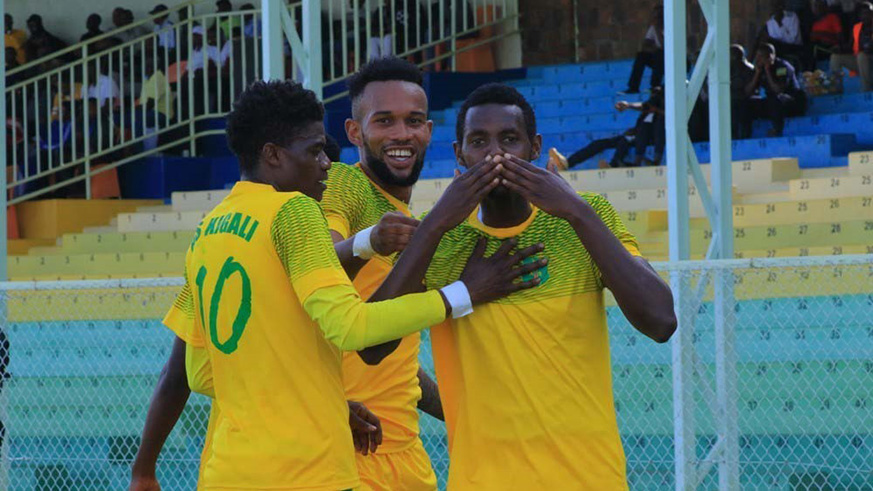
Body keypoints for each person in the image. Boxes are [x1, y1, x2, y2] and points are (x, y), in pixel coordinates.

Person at [129, 79, 543, 490]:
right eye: (315, 151)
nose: (327, 162)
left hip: (231, 471)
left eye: (414, 120)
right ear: (273, 155)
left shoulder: (208, 229)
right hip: (310, 472)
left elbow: (200, 372)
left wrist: (322, 401)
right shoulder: (298, 209)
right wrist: (464, 293)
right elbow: (352, 329)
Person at [423, 83, 676, 489]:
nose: (496, 155)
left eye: (509, 139)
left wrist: (576, 210)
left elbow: (661, 320)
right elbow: (373, 341)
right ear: (459, 154)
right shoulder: (443, 239)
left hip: (589, 478)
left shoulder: (587, 217)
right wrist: (436, 225)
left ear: (534, 147)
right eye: (478, 141)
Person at [321, 57, 442, 490]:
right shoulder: (343, 184)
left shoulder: (410, 219)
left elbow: (397, 361)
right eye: (384, 121)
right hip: (350, 455)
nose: (401, 135)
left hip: (408, 456)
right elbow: (314, 266)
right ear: (355, 131)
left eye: (413, 121)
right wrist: (366, 241)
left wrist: (462, 409)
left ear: (428, 130)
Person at [548, 86, 666, 169]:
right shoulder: (647, 111)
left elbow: (652, 131)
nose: (651, 97)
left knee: (625, 140)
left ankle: (614, 164)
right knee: (600, 143)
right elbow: (643, 106)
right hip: (633, 136)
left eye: (654, 95)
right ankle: (567, 162)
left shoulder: (662, 117)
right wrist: (629, 106)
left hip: (644, 140)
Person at [746, 43, 807, 136]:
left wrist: (768, 71)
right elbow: (748, 92)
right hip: (772, 102)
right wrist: (757, 74)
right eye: (757, 56)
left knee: (776, 99)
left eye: (760, 56)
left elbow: (778, 90)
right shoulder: (759, 69)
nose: (757, 59)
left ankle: (777, 129)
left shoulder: (782, 67)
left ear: (770, 57)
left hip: (791, 100)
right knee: (747, 104)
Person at [830, 1, 873, 92]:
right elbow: (850, 47)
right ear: (860, 16)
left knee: (862, 56)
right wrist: (840, 49)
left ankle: (866, 91)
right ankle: (837, 90)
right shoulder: (856, 28)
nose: (866, 16)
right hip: (862, 62)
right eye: (863, 13)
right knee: (835, 58)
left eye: (868, 13)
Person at [622, 5, 664, 94]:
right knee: (641, 55)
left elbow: (665, 46)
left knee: (660, 53)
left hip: (674, 61)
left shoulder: (671, 27)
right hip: (658, 59)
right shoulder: (653, 28)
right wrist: (654, 48)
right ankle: (633, 87)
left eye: (658, 16)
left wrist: (658, 31)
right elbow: (646, 44)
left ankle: (655, 85)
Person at [762, 0, 807, 70]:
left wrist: (780, 24)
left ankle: (782, 73)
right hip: (778, 48)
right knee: (767, 48)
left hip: (794, 47)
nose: (775, 8)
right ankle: (769, 72)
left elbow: (792, 40)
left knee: (774, 48)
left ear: (782, 6)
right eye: (773, 6)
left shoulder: (792, 17)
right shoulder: (770, 21)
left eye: (777, 5)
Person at [731, 44, 757, 139]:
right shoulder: (729, 69)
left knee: (741, 108)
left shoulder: (748, 69)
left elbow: (748, 90)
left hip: (745, 99)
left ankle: (744, 136)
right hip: (733, 99)